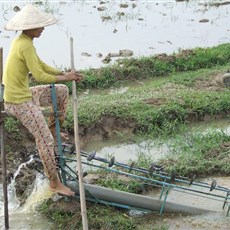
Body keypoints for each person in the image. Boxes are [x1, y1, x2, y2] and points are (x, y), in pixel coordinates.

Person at [2, 4, 81, 196]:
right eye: (40, 26)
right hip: (18, 101)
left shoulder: (24, 41)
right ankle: (54, 182)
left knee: (61, 91)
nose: (43, 28)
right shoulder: (24, 45)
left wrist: (62, 73)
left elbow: (41, 65)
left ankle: (54, 127)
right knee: (44, 140)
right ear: (30, 27)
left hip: (25, 93)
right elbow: (39, 76)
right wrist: (67, 78)